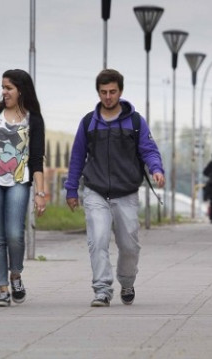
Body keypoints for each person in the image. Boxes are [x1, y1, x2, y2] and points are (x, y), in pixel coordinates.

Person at [65, 69, 165, 307]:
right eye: (103, 92)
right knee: (98, 240)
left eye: (112, 92)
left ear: (120, 91)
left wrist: (156, 169)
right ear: (98, 92)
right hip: (95, 190)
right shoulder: (89, 122)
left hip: (126, 192)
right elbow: (77, 157)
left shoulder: (135, 121)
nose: (108, 97)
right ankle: (102, 289)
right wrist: (71, 190)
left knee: (129, 245)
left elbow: (149, 150)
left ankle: (127, 281)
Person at [0, 69, 45, 307]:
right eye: (3, 87)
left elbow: (36, 158)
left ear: (21, 90)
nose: (4, 92)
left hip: (19, 182)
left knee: (14, 234)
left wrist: (41, 193)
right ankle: (2, 289)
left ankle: (16, 274)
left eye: (9, 88)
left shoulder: (33, 119)